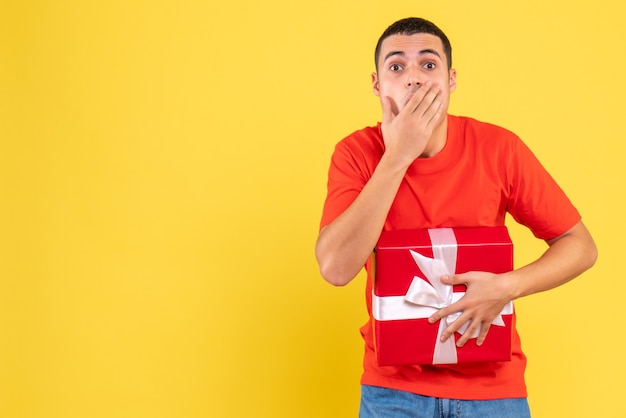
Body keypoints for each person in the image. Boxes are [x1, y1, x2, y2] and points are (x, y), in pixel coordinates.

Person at [315, 17, 597, 418]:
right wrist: (398, 155)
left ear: (450, 80)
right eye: (397, 66)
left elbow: (581, 246)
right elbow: (335, 268)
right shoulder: (356, 153)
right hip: (392, 391)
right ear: (377, 83)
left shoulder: (500, 148)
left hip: (494, 390)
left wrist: (507, 286)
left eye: (428, 65)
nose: (413, 78)